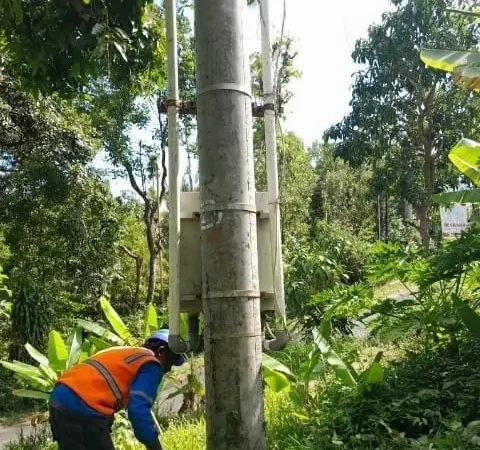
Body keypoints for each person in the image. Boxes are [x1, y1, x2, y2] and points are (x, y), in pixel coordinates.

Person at [48, 329, 185, 450]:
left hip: (59, 399)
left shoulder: (127, 353)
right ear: (161, 352)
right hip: (82, 405)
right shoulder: (151, 364)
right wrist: (154, 445)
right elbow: (138, 409)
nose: (169, 368)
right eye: (171, 361)